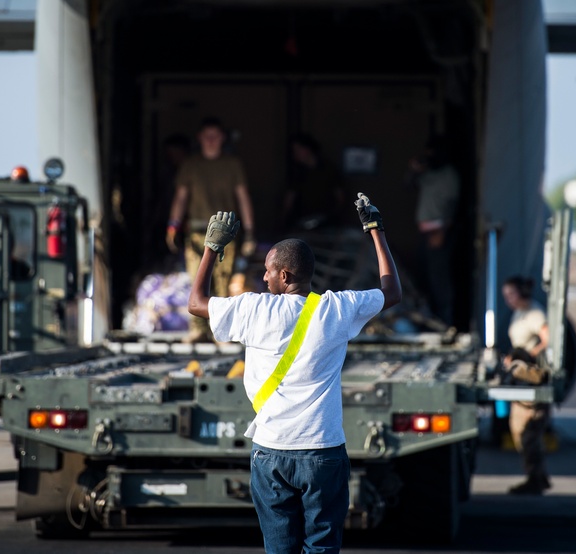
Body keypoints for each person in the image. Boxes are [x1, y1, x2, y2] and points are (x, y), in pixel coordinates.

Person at [187, 193, 401, 554]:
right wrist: (375, 230)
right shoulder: (337, 308)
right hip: (323, 451)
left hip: (271, 453)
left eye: (268, 270)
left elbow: (195, 304)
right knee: (322, 547)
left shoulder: (253, 310)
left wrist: (211, 248)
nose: (263, 276)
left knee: (279, 548)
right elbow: (391, 291)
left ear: (284, 275)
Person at [167, 117, 256, 342]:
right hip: (197, 232)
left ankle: (220, 332)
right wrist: (173, 225)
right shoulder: (191, 164)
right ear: (200, 138)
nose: (211, 141)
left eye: (215, 136)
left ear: (222, 138)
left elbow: (243, 197)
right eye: (207, 136)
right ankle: (197, 329)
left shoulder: (232, 164)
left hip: (226, 232)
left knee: (222, 282)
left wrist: (249, 232)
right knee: (197, 279)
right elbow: (181, 197)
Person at [501, 275, 552, 495]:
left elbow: (548, 339)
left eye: (511, 294)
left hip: (531, 377)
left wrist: (527, 356)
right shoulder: (521, 312)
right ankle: (538, 476)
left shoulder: (534, 313)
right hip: (521, 377)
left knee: (528, 432)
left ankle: (535, 478)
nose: (508, 300)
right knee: (519, 430)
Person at [407, 137, 459, 325]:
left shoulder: (449, 175)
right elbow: (408, 185)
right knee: (423, 276)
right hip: (424, 231)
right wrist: (414, 170)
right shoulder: (428, 174)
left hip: (439, 231)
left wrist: (443, 230)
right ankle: (430, 320)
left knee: (439, 278)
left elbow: (453, 204)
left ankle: (446, 321)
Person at [281, 133, 345, 231]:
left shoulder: (329, 169)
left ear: (307, 149)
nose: (296, 154)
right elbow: (289, 200)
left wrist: (336, 217)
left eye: (298, 150)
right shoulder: (298, 173)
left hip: (327, 222)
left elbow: (340, 196)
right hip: (302, 222)